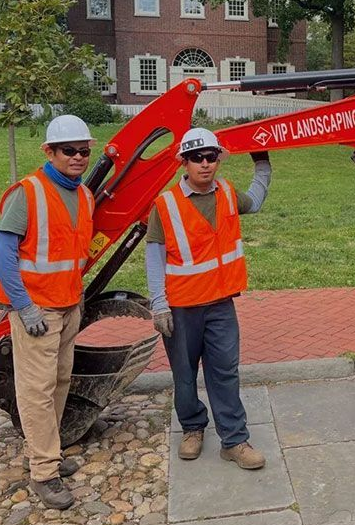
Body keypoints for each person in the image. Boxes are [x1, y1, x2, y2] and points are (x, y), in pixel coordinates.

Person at [145, 128, 271, 470]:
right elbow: (154, 256)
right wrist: (158, 303)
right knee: (184, 375)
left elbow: (256, 201)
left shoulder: (228, 193)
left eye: (211, 157)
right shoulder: (166, 205)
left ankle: (234, 440)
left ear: (218, 159)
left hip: (220, 305)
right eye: (196, 158)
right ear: (184, 162)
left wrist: (262, 162)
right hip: (182, 308)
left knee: (225, 372)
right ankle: (192, 428)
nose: (205, 164)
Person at [0, 114, 96, 509]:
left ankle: (49, 453)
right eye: (69, 150)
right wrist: (24, 306)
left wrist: (77, 298)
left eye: (84, 150)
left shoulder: (83, 195)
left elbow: (73, 254)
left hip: (68, 306)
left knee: (59, 382)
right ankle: (44, 473)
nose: (78, 157)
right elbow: (1, 252)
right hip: (38, 310)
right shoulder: (28, 192)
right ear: (48, 152)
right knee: (36, 391)